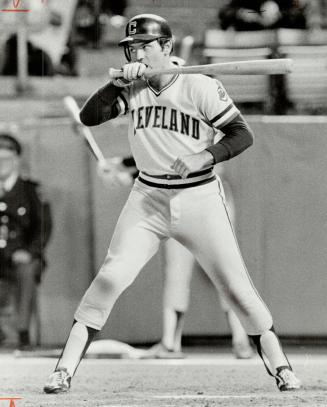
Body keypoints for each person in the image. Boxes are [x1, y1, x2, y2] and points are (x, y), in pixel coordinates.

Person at [43, 14, 301, 394]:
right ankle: (63, 370)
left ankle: (281, 366)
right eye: (132, 47)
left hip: (199, 197)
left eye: (145, 46)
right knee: (112, 276)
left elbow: (241, 134)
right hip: (148, 198)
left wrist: (206, 156)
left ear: (166, 47)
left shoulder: (200, 86)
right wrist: (114, 84)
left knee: (235, 287)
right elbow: (90, 116)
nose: (138, 54)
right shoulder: (132, 89)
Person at [100, 157, 253, 359]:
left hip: (202, 194)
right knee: (189, 272)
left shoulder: (203, 130)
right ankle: (178, 343)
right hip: (190, 195)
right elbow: (163, 153)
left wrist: (126, 171)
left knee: (216, 271)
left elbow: (170, 157)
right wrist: (124, 168)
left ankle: (235, 340)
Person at [0, 131, 52, 350]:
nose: (1, 164)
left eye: (6, 159)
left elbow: (43, 227)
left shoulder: (30, 191)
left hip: (22, 255)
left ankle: (21, 333)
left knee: (27, 269)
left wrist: (29, 252)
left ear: (16, 160)